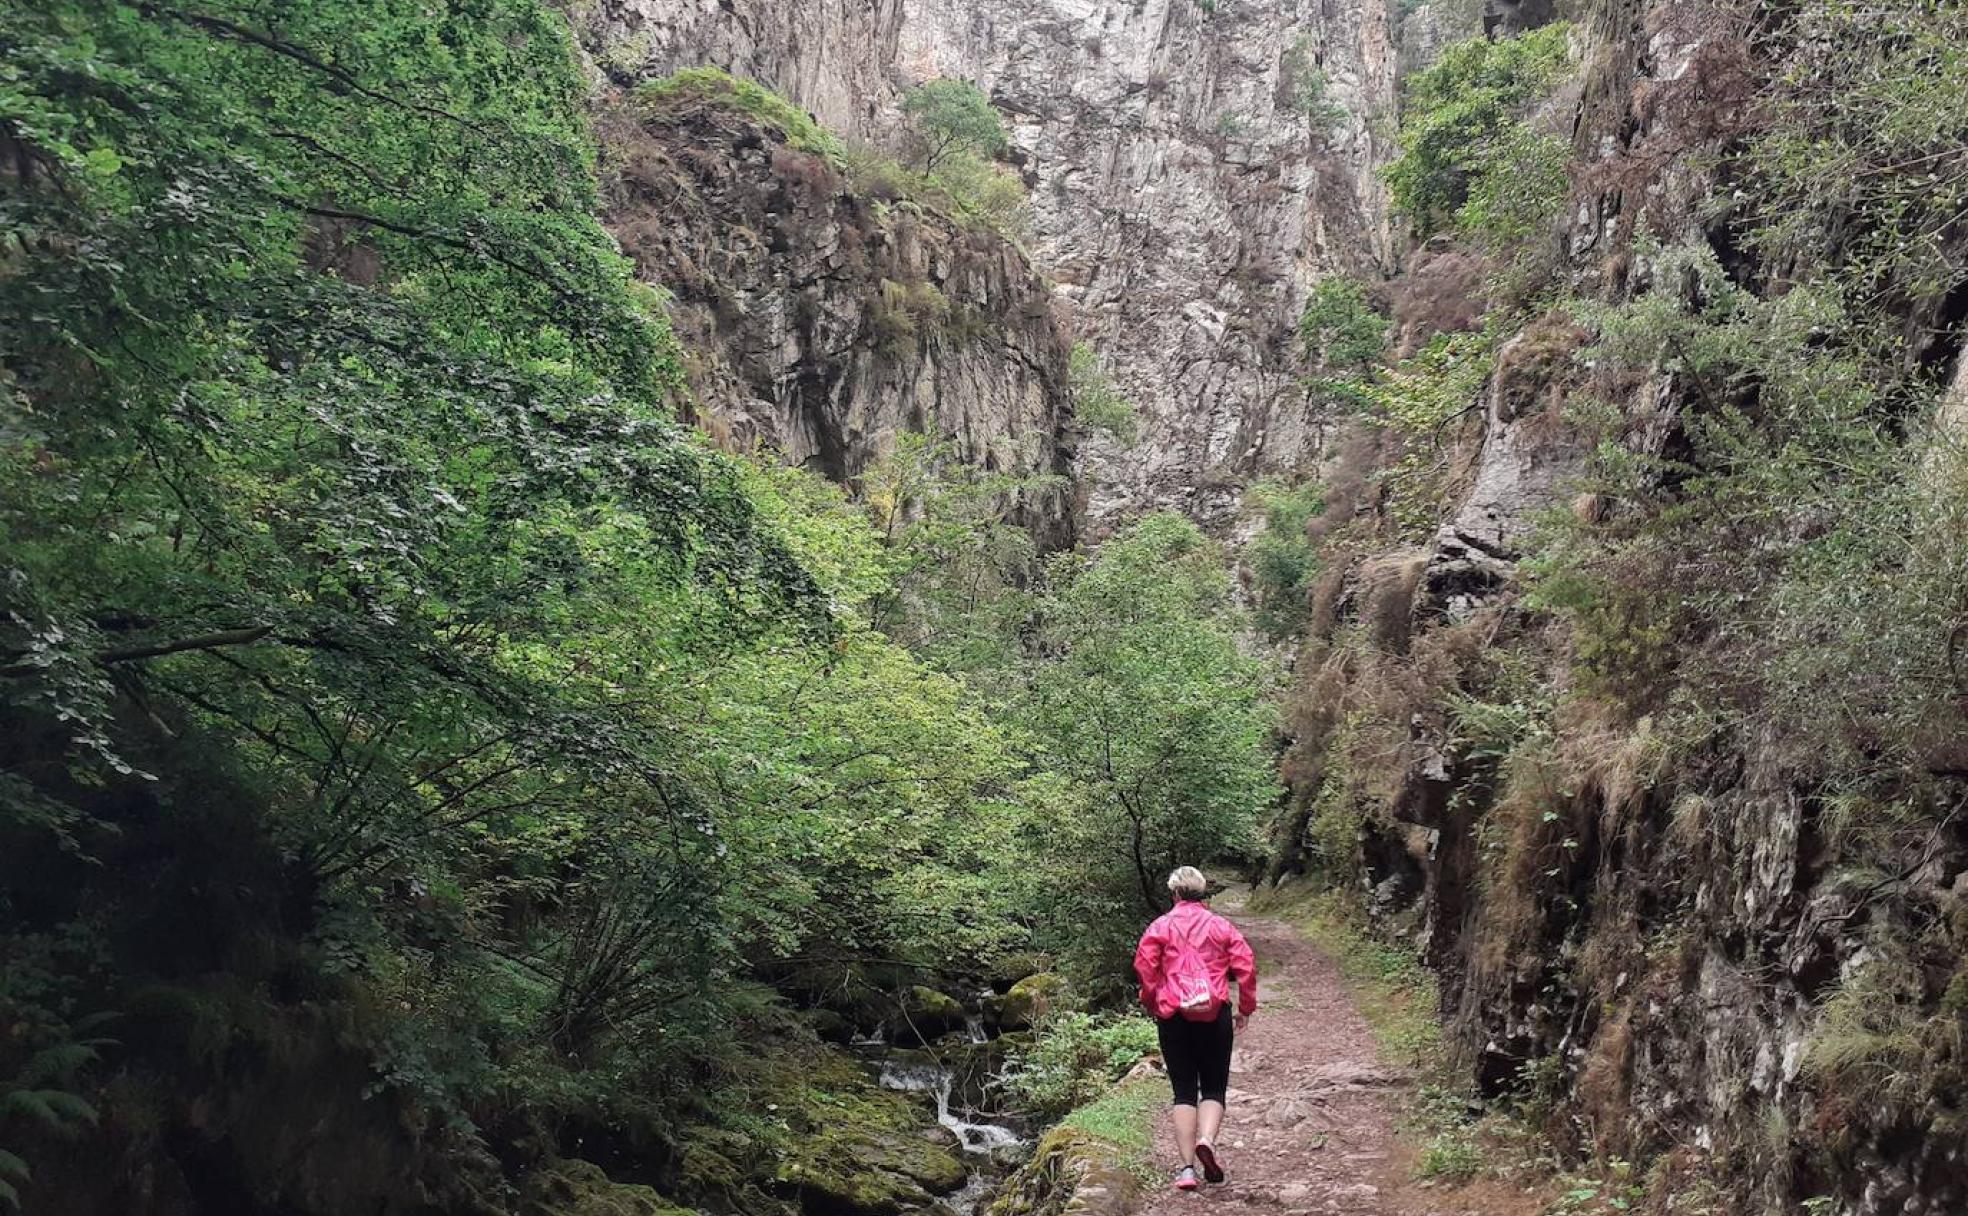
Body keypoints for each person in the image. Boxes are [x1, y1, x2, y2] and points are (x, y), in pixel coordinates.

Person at [1132, 865, 1258, 1192]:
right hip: (1215, 1013)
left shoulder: (1159, 926)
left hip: (1174, 1016)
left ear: (1174, 894)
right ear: (1203, 893)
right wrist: (1245, 1008)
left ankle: (1187, 1170)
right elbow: (1245, 965)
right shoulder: (1220, 925)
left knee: (1184, 1091)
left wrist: (1153, 1003)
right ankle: (1207, 1139)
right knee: (1214, 1088)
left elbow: (1145, 970)